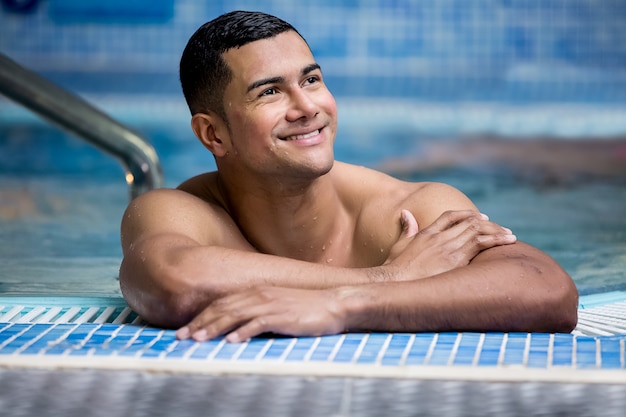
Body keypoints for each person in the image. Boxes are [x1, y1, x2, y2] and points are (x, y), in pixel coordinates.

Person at [119, 10, 578, 343]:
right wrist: (392, 277)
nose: (307, 108)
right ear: (213, 133)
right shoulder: (183, 211)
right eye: (271, 92)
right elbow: (173, 281)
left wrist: (344, 305)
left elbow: (547, 289)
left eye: (312, 80)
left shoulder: (404, 209)